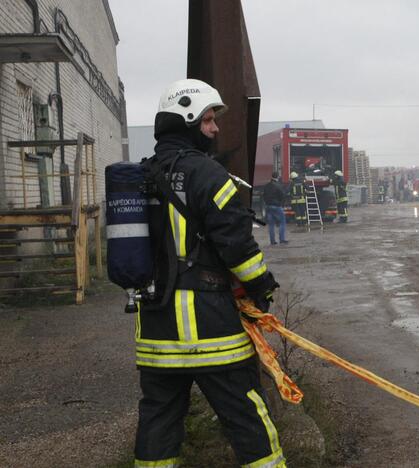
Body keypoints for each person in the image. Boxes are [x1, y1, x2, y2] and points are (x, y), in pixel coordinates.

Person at [135, 79, 284, 467]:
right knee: (247, 417)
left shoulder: (141, 176)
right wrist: (262, 287)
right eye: (207, 120)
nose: (215, 129)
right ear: (186, 121)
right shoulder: (208, 174)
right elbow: (237, 246)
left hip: (156, 332)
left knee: (158, 425)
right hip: (211, 328)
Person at [263, 172, 288, 245]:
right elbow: (282, 195)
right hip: (277, 206)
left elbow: (264, 195)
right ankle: (282, 239)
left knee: (271, 225)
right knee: (282, 223)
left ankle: (272, 241)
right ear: (278, 177)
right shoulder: (278, 185)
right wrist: (281, 204)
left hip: (268, 206)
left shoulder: (267, 185)